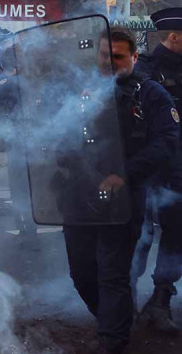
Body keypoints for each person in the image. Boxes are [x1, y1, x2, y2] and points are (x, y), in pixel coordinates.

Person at [63, 28, 178, 353]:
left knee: (113, 273)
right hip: (79, 197)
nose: (109, 62)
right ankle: (116, 320)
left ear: (134, 58)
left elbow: (166, 143)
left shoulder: (151, 94)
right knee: (82, 273)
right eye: (104, 55)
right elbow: (60, 134)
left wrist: (124, 175)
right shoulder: (80, 90)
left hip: (123, 198)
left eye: (118, 56)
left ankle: (111, 341)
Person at [132, 8, 182, 333]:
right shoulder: (144, 71)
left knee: (177, 232)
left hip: (178, 170)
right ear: (175, 37)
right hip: (149, 167)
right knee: (139, 233)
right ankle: (124, 294)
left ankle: (161, 297)